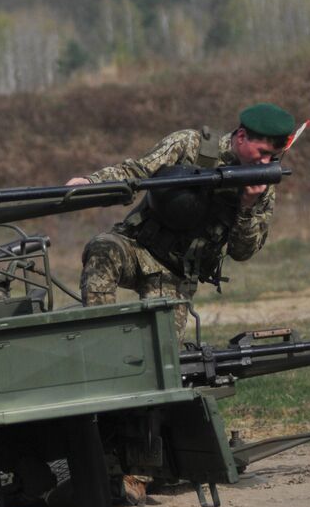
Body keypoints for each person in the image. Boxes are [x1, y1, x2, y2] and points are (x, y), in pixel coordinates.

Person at [70, 103, 296, 339]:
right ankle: (102, 342)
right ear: (241, 137)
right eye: (261, 153)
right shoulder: (190, 145)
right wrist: (90, 183)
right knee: (102, 249)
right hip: (136, 247)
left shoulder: (262, 187)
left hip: (174, 275)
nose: (265, 162)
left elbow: (242, 252)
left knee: (163, 354)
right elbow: (137, 171)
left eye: (272, 156)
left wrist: (247, 206)